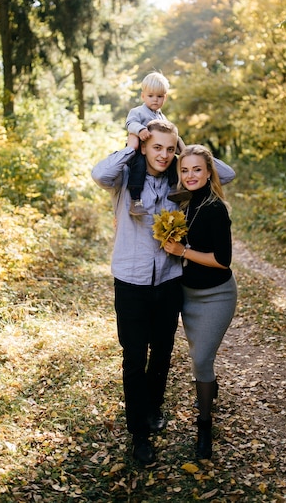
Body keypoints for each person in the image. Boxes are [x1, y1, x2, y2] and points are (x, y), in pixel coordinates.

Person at [91, 122, 235, 465]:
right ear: (145, 147)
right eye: (157, 147)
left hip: (170, 281)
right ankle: (138, 434)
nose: (164, 155)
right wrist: (132, 143)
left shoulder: (178, 180)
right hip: (131, 281)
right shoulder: (126, 179)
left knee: (162, 353)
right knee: (134, 356)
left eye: (169, 150)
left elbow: (223, 174)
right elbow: (99, 173)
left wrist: (182, 146)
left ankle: (154, 408)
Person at [164, 144, 238, 460]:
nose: (191, 175)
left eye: (198, 169)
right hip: (188, 295)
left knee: (202, 360)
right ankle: (208, 394)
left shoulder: (215, 207)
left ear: (209, 172)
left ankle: (204, 425)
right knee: (199, 359)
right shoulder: (185, 203)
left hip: (217, 295)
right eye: (185, 169)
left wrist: (183, 252)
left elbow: (223, 260)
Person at [125, 71, 187, 216]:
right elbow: (130, 123)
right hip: (139, 150)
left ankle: (175, 188)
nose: (155, 100)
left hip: (156, 152)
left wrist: (180, 146)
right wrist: (140, 130)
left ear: (165, 98)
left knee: (173, 162)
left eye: (159, 96)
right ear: (143, 96)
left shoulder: (162, 117)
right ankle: (135, 200)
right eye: (151, 96)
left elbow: (169, 133)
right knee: (138, 168)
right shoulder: (138, 112)